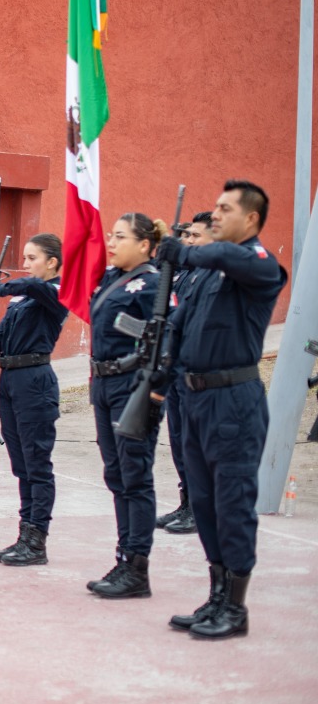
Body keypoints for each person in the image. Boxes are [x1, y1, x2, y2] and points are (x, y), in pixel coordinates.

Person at [158, 181, 286, 640]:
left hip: (233, 400)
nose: (215, 214)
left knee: (232, 504)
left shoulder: (257, 263)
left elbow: (221, 255)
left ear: (251, 218)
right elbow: (179, 324)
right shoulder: (209, 271)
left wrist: (180, 251)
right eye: (214, 207)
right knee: (206, 504)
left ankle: (236, 606)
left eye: (225, 208)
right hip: (194, 398)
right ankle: (215, 596)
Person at [84, 211, 166, 599]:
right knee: (116, 475)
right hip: (104, 384)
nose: (111, 243)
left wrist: (155, 393)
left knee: (135, 475)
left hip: (131, 386)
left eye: (120, 237)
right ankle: (123, 557)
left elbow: (168, 341)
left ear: (145, 245)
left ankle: (137, 567)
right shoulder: (113, 278)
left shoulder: (153, 284)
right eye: (110, 235)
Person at [0, 233, 69, 565]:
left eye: (32, 259)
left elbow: (33, 287)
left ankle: (36, 541)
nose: (25, 265)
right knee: (21, 466)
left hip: (35, 382)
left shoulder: (55, 292)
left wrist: (0, 288)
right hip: (11, 381)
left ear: (52, 262)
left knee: (37, 465)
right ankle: (23, 536)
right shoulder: (22, 298)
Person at [156, 211, 213, 535]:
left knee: (194, 443)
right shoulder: (182, 274)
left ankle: (200, 508)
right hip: (172, 369)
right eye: (186, 236)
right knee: (178, 441)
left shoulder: (211, 275)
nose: (188, 242)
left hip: (194, 370)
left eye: (195, 237)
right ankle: (186, 502)